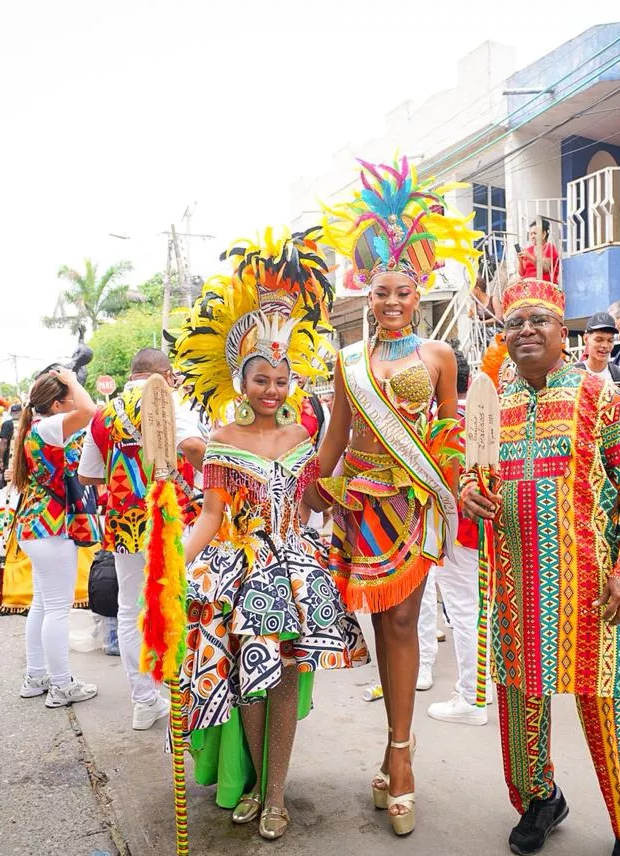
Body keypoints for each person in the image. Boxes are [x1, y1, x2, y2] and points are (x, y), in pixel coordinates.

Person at [174, 227, 367, 840]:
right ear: (240, 381)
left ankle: (277, 794)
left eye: (281, 380)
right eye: (262, 380)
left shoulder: (302, 437)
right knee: (247, 680)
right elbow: (210, 514)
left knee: (284, 678)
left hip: (299, 568)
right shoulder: (223, 442)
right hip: (243, 570)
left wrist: (338, 485)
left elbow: (313, 499)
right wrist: (171, 565)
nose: (273, 390)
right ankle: (257, 784)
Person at [312, 156, 479, 837]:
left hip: (413, 508)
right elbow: (336, 434)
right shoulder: (347, 363)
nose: (390, 303)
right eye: (380, 292)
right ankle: (391, 746)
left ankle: (403, 759)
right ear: (366, 292)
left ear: (419, 295)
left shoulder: (438, 359)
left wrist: (461, 481)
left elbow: (447, 430)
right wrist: (307, 490)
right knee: (383, 630)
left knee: (406, 624)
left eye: (402, 293)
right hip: (361, 507)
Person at [461, 275, 620, 856]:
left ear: (561, 332)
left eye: (538, 320)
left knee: (603, 705)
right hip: (514, 587)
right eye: (514, 322)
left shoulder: (599, 394)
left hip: (592, 589)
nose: (524, 330)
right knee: (520, 704)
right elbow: (475, 471)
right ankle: (540, 800)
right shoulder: (492, 396)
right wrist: (470, 489)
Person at [78, 347, 206, 731]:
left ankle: (144, 701)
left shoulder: (104, 414)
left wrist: (126, 468)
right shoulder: (168, 400)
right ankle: (189, 693)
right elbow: (195, 448)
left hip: (125, 521)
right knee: (182, 597)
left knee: (130, 609)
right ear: (165, 375)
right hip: (172, 516)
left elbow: (87, 475)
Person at [11, 367, 101, 708]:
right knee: (58, 610)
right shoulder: (50, 427)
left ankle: (37, 676)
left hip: (35, 526)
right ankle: (62, 685)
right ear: (57, 403)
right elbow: (90, 410)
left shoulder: (37, 428)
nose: (73, 401)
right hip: (51, 528)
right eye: (69, 398)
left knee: (43, 605)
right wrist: (74, 380)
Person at [426, 348, 490, 727]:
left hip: (459, 529)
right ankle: (481, 688)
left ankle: (471, 696)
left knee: (465, 611)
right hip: (484, 530)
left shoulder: (443, 423)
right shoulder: (483, 414)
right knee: (479, 609)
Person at [576, 311, 620, 388]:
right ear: (586, 339)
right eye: (599, 340)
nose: (605, 346)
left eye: (610, 340)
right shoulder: (572, 375)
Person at [518, 219, 560, 284]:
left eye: (535, 233)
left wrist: (530, 257)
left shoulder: (549, 247)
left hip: (543, 283)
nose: (532, 237)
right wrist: (520, 261)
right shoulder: (529, 250)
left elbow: (546, 268)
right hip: (527, 282)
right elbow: (522, 273)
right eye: (531, 234)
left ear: (544, 234)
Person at [0, 402, 22, 473]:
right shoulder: (26, 423)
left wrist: (1, 459)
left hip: (9, 458)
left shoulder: (7, 424)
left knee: (8, 478)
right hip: (23, 457)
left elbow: (4, 442)